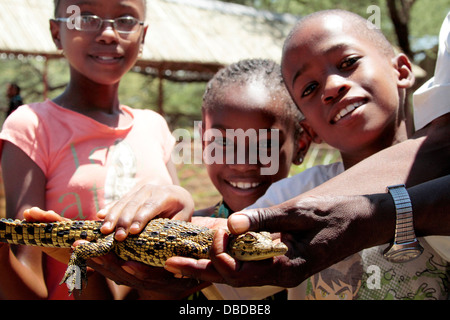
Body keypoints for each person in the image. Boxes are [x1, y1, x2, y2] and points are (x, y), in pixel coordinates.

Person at [162, 10, 450, 297]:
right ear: (309, 129)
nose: (332, 87)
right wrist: (169, 204)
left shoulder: (440, 183)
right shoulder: (290, 196)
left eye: (348, 62)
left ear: (401, 70)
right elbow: (213, 256)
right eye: (310, 88)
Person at [0, 0, 186, 300]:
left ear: (143, 35)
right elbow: (25, 268)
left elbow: (178, 246)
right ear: (56, 32)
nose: (109, 33)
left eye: (125, 19)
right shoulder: (31, 125)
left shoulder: (155, 126)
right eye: (84, 17)